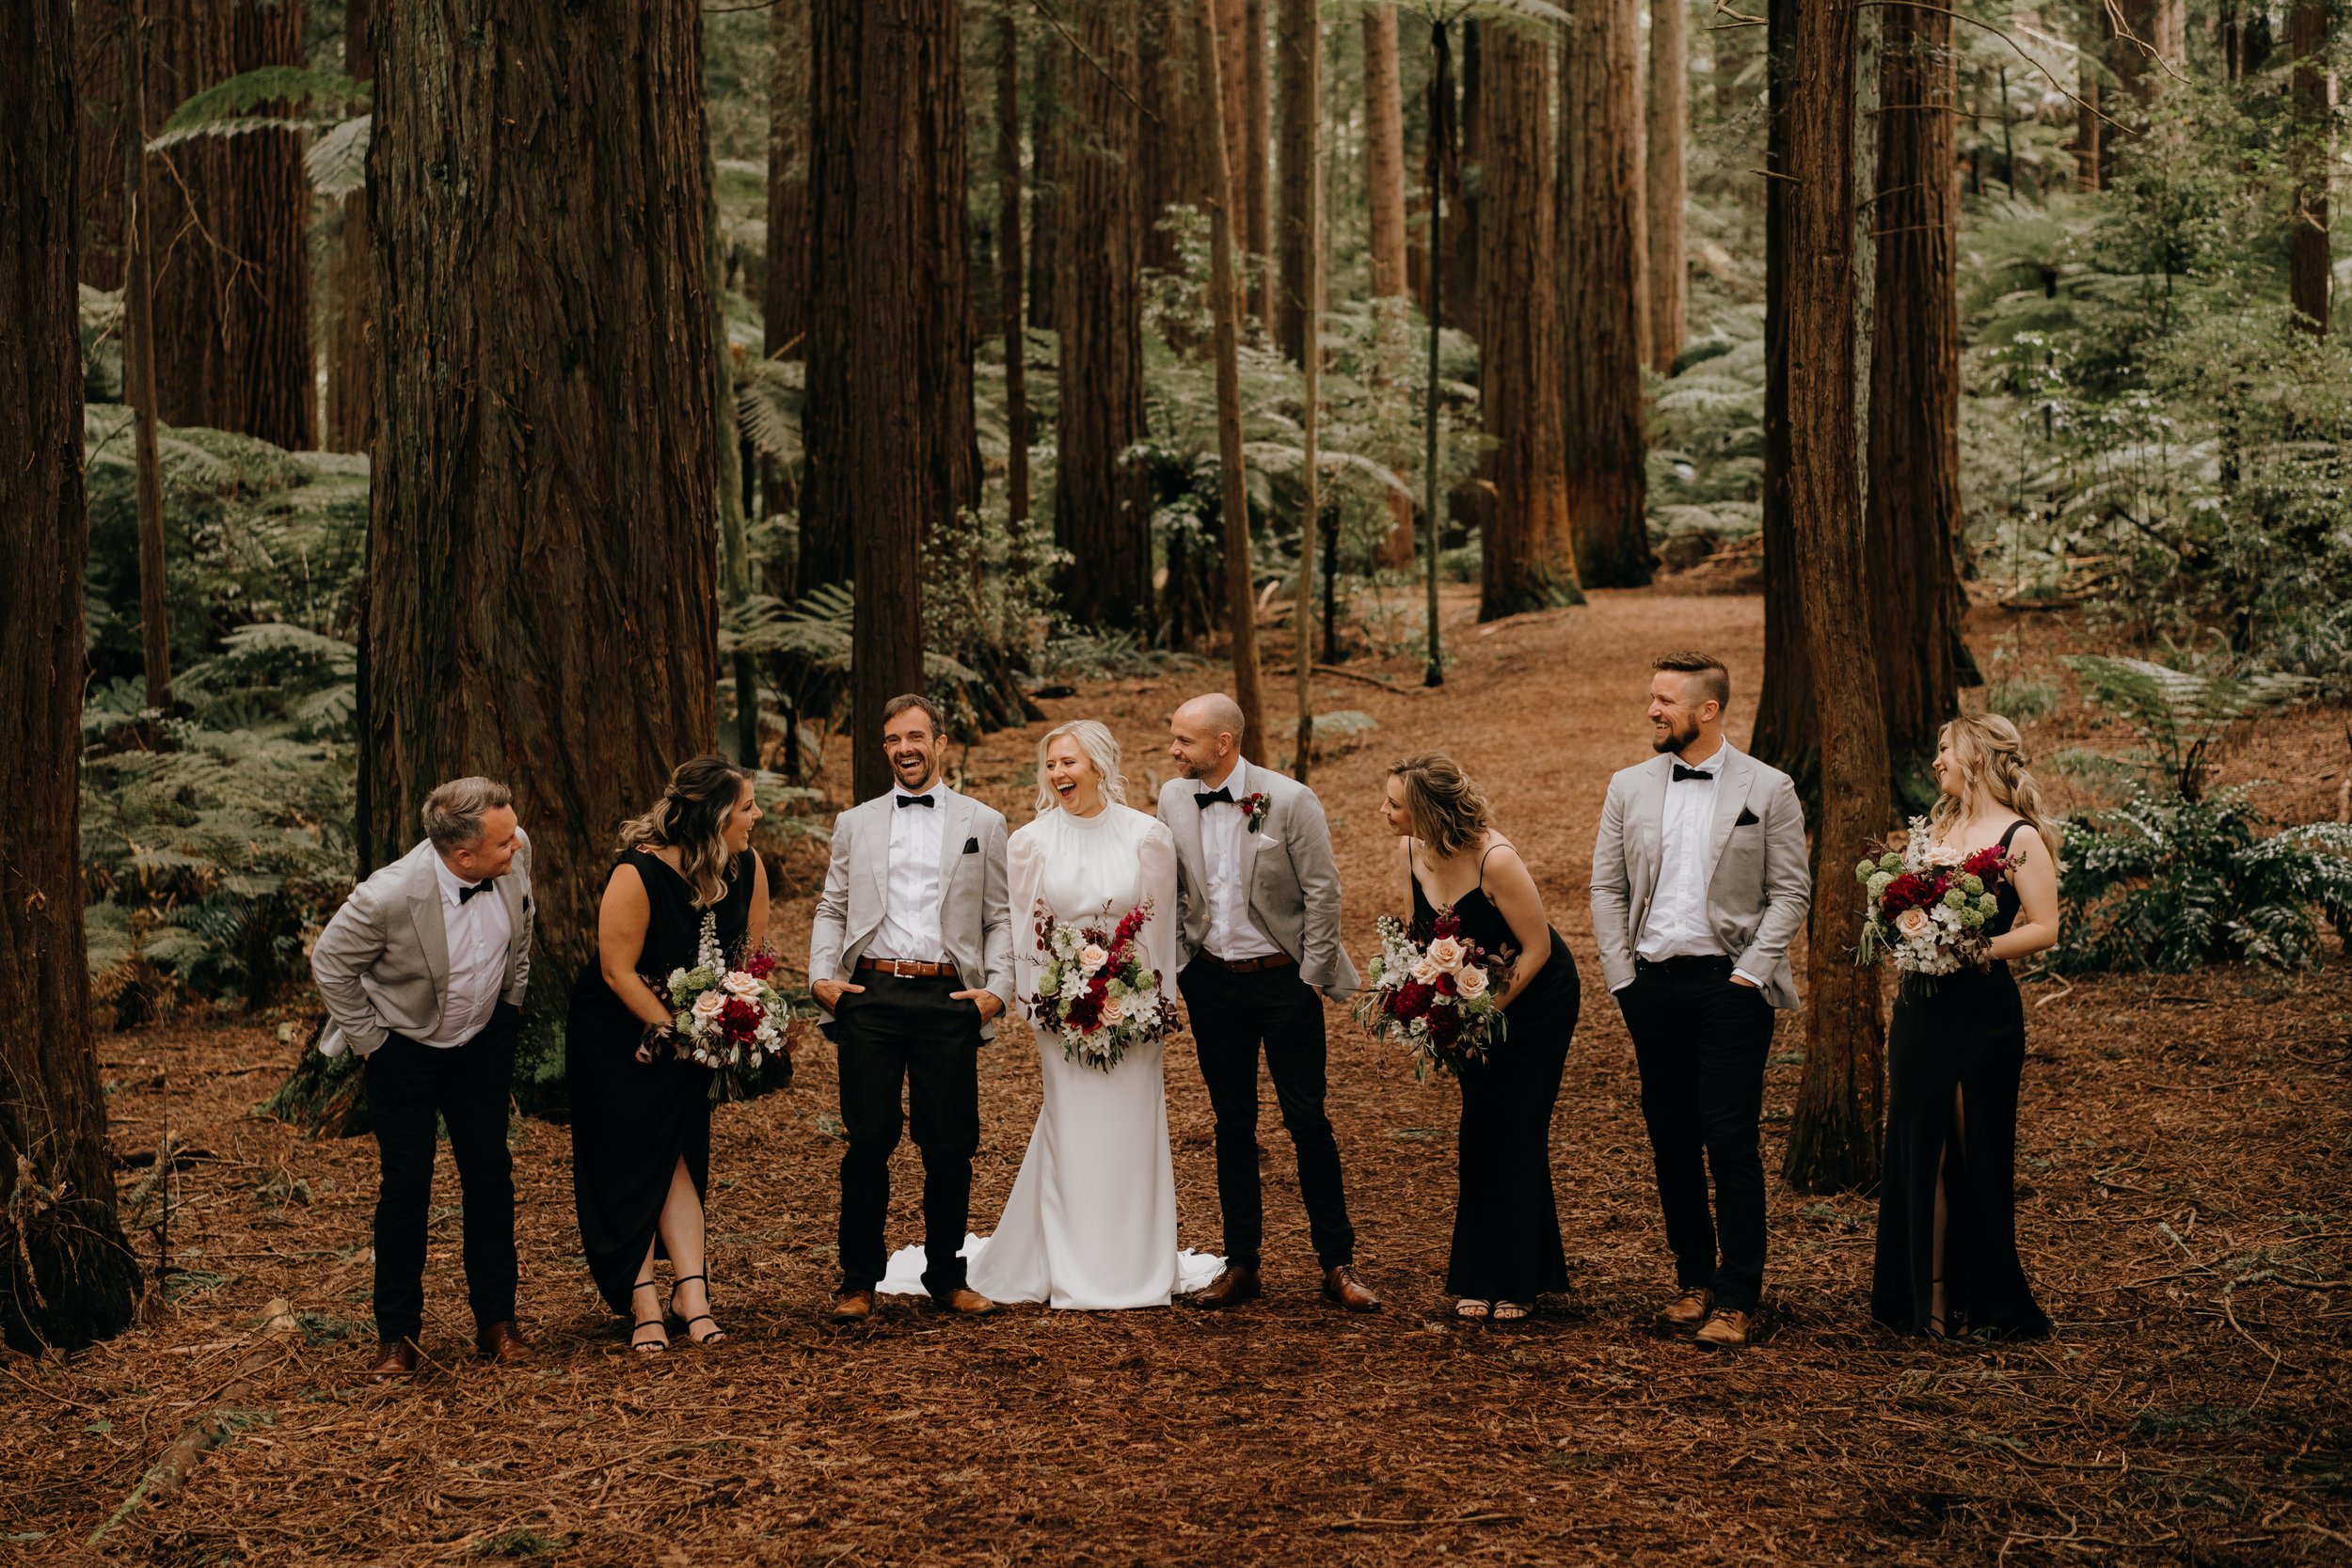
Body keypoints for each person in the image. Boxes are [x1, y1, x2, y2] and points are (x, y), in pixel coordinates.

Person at [930, 721, 1221, 1308]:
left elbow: (1157, 933)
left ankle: (1136, 1263)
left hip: (1135, 1013)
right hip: (1063, 1016)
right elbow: (1027, 933)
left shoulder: (1148, 836)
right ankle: (1069, 1263)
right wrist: (1050, 1006)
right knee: (1074, 1130)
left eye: (1070, 762)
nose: (1059, 773)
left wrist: (1145, 1003)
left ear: (1099, 765)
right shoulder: (1030, 842)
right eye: (1052, 764)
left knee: (1132, 1131)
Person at [1591, 653, 1809, 1349]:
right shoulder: (1628, 786)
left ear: (1707, 710)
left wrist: (1750, 972)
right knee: (1672, 1139)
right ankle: (1693, 1279)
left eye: (1665, 700)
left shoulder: (1769, 789)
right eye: (1651, 696)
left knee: (1730, 1139)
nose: (1652, 709)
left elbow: (1791, 892)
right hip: (1652, 986)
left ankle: (1738, 1294)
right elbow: (1606, 888)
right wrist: (1623, 977)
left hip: (1730, 989)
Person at [1159, 694, 1380, 1313]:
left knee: (1307, 1120)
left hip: (1284, 981)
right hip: (1211, 983)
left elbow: (1323, 890)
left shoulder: (1289, 799)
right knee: (1233, 1126)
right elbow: (1171, 885)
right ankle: (1242, 1265)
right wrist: (1182, 962)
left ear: (1224, 743)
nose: (1174, 750)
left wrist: (1310, 976)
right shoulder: (1175, 797)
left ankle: (1337, 1263)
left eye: (1185, 740)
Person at [310, 777, 536, 1378]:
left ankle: (497, 1322)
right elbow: (330, 964)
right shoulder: (386, 897)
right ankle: (397, 1336)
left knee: (489, 1175)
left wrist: (510, 1004)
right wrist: (373, 1045)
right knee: (406, 1186)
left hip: (483, 1044)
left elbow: (523, 926)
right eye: (503, 841)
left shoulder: (515, 851)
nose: (517, 844)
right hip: (404, 1051)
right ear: (462, 856)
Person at [809, 694, 1014, 1323]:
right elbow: (833, 906)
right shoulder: (856, 822)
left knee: (950, 1144)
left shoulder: (985, 821)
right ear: (885, 748)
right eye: (894, 739)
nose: (905, 749)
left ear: (941, 742)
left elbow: (1000, 915)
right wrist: (821, 972)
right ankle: (858, 1278)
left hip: (948, 996)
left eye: (917, 736)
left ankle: (947, 1276)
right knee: (868, 1139)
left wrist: (997, 988)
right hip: (870, 995)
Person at [566, 756, 769, 1353]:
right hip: (618, 1037)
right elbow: (616, 970)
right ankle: (643, 1301)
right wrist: (680, 1032)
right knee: (628, 1162)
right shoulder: (638, 873)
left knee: (678, 1152)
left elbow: (749, 959)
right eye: (746, 807)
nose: (756, 816)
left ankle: (693, 1293)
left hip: (692, 1035)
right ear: (714, 817)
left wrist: (738, 1017)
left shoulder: (750, 867)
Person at [1872, 714, 2059, 1340]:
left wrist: (1977, 950)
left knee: (1970, 1149)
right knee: (1920, 1147)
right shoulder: (1938, 827)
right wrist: (1901, 923)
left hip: (1982, 1015)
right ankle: (1923, 1298)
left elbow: (2045, 926)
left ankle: (1984, 1298)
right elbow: (1902, 903)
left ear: (1975, 753)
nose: (1936, 761)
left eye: (1943, 747)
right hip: (1921, 1011)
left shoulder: (2019, 835)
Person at [1381, 753, 1581, 1323]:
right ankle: (1479, 1272)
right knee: (1481, 1130)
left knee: (1519, 1129)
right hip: (1469, 1001)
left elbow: (1538, 949)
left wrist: (1480, 1018)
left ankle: (1516, 1281)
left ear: (1430, 810)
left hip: (1534, 999)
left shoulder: (1496, 859)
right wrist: (1424, 998)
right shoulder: (1410, 851)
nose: (1385, 812)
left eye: (1395, 803)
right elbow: (1422, 938)